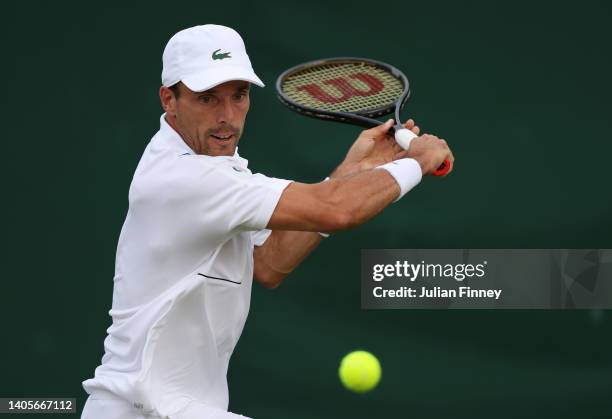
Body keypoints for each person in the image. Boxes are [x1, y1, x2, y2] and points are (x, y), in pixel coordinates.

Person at [81, 24, 453, 419]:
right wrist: (417, 163)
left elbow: (269, 261)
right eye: (207, 99)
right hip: (145, 409)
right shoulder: (185, 178)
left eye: (238, 96)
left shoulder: (219, 171)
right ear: (169, 99)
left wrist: (351, 171)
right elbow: (337, 209)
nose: (227, 116)